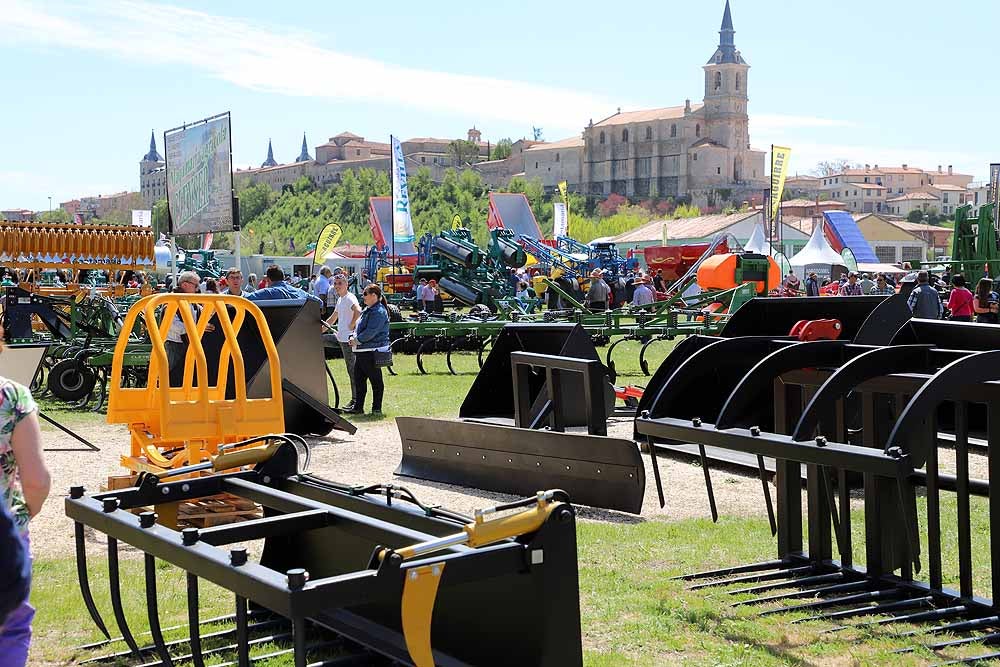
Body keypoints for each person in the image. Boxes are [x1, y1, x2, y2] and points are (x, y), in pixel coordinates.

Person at [0, 326, 51, 665]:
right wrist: (19, 519)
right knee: (11, 631)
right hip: (2, 539)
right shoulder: (12, 398)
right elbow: (36, 482)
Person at [165, 271, 216, 386]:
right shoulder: (171, 301)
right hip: (175, 347)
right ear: (185, 284)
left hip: (190, 345)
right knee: (173, 378)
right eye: (196, 285)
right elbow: (173, 325)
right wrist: (198, 328)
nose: (198, 289)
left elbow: (204, 316)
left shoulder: (193, 304)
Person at [348, 285, 391, 416]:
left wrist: (356, 340)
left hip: (371, 351)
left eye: (365, 293)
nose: (363, 296)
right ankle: (358, 407)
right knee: (359, 380)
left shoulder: (378, 311)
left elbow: (371, 332)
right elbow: (360, 328)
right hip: (362, 351)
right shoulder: (369, 309)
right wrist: (353, 336)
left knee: (376, 381)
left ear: (374, 296)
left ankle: (376, 409)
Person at [324, 274, 362, 411]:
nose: (337, 286)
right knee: (318, 340)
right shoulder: (340, 299)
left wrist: (352, 324)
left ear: (346, 285)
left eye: (340, 283)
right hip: (340, 337)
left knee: (352, 370)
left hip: (348, 340)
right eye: (335, 283)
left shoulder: (350, 298)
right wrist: (319, 331)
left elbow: (358, 311)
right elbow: (333, 318)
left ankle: (356, 400)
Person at [247, 265, 321, 303]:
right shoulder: (299, 292)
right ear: (283, 277)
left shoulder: (268, 293)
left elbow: (246, 298)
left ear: (268, 280)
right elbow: (319, 302)